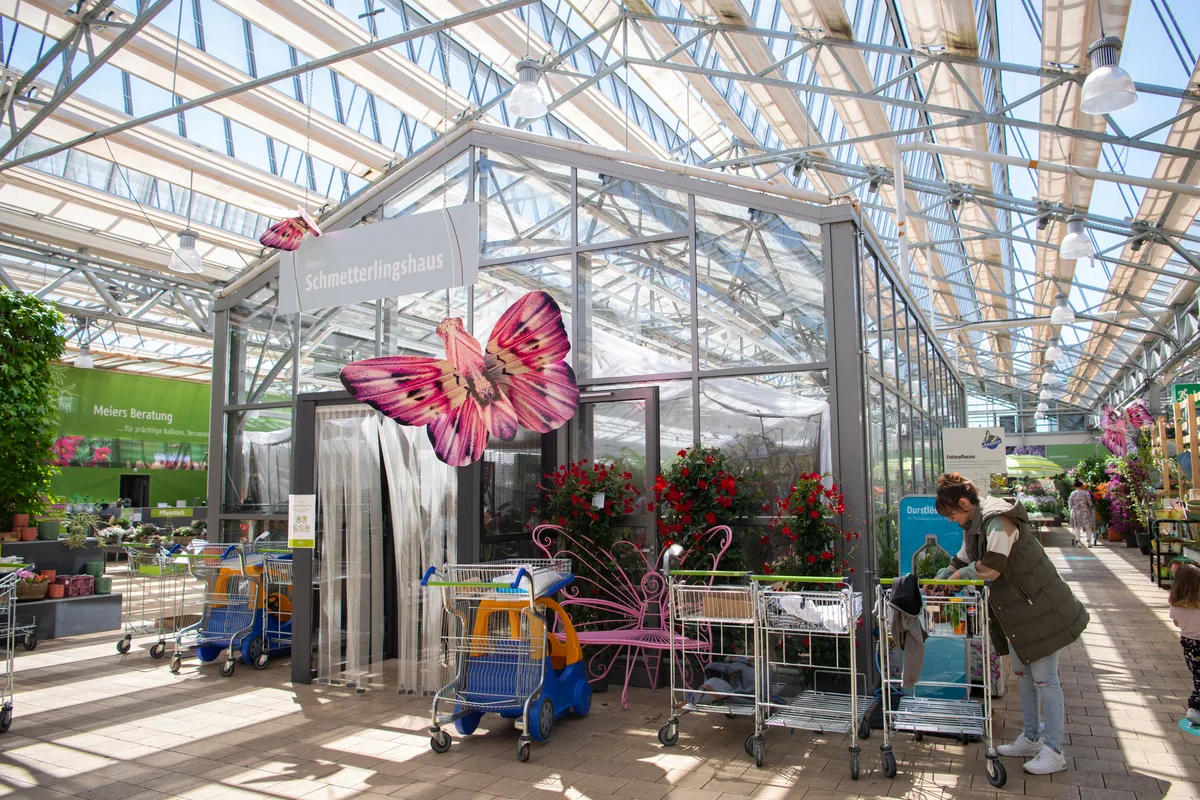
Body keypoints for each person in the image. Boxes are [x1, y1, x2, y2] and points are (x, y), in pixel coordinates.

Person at [934, 473, 1090, 775]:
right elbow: (963, 558)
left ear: (964, 503)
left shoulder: (997, 520)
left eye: (952, 514)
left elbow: (992, 566)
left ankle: (1055, 750)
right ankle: (1031, 738)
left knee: (1045, 680)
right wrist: (943, 577)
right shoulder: (975, 524)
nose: (953, 521)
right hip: (1019, 613)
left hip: (1040, 609)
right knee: (1024, 675)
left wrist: (961, 575)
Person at [1169, 562, 1200, 726]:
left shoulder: (1175, 603)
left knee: (1197, 675)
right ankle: (1195, 708)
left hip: (1188, 645)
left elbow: (1175, 622)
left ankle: (1196, 708)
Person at [1067, 479, 1097, 547]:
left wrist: (1073, 508)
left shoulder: (1073, 493)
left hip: (1075, 511)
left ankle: (1078, 542)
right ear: (1081, 486)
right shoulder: (1086, 493)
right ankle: (1089, 542)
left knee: (1077, 526)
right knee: (1088, 526)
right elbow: (1090, 503)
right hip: (1085, 511)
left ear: (1075, 486)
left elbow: (1070, 503)